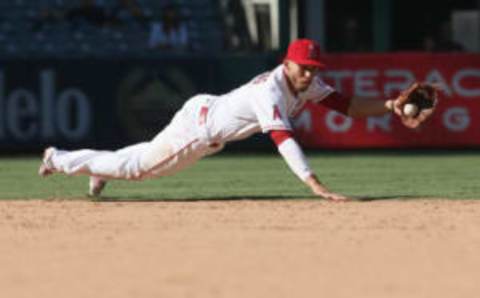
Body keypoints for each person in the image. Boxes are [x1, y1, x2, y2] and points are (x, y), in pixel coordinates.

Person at [38, 39, 434, 201]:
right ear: (287, 63)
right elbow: (283, 139)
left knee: (139, 158)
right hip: (199, 131)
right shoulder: (272, 91)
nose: (310, 74)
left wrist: (389, 105)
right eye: (304, 67)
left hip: (206, 112)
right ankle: (59, 159)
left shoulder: (306, 85)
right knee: (141, 169)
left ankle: (101, 168)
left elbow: (346, 106)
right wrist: (314, 184)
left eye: (314, 68)